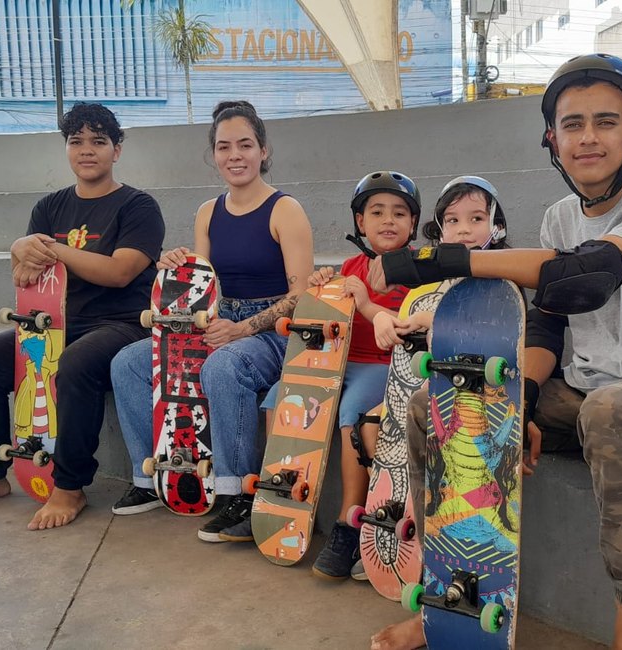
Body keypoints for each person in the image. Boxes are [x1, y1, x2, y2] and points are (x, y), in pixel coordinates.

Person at [368, 54, 622, 650]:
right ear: (551, 138)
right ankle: (447, 599)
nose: (588, 137)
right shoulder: (560, 217)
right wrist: (523, 401)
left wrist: (438, 258)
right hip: (580, 392)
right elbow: (549, 325)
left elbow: (585, 276)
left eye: (606, 122)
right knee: (438, 403)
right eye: (572, 123)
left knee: (611, 409)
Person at [0, 103, 166, 530]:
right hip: (54, 322)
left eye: (98, 141)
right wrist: (17, 251)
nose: (86, 150)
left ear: (117, 150)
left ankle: (69, 486)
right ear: (66, 149)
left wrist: (53, 250)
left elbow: (119, 272)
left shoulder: (138, 206)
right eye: (76, 141)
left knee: (73, 363)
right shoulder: (49, 208)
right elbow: (27, 274)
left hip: (123, 324)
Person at [107, 101, 315, 543]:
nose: (234, 155)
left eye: (245, 145)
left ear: (263, 150)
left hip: (272, 331)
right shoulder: (208, 211)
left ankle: (238, 492)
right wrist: (176, 264)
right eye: (224, 147)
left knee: (222, 365)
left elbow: (301, 297)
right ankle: (150, 477)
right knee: (128, 362)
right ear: (214, 154)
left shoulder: (285, 210)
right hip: (215, 321)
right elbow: (204, 282)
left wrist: (243, 329)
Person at [348, 175, 512, 584]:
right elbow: (426, 322)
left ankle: (435, 548)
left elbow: (487, 332)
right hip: (440, 390)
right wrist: (400, 321)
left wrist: (428, 321)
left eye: (477, 218)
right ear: (440, 233)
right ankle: (411, 540)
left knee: (421, 417)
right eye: (453, 222)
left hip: (486, 400)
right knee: (371, 426)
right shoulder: (439, 283)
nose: (465, 229)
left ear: (497, 227)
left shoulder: (503, 279)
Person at [258, 171, 420, 579]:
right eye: (377, 212)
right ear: (360, 223)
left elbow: (404, 333)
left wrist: (364, 299)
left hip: (383, 367)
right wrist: (319, 286)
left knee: (350, 412)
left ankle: (349, 520)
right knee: (277, 396)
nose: (388, 220)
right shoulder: (351, 265)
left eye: (399, 213)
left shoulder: (419, 270)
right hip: (337, 361)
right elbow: (325, 312)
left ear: (413, 224)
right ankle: (282, 496)